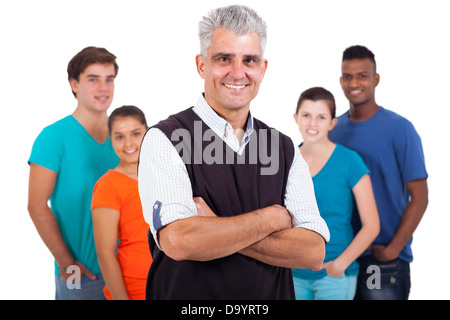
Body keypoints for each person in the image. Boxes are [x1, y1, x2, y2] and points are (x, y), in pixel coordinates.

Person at [138, 5, 330, 300]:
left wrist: (213, 226)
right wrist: (271, 219)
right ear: (202, 65)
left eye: (249, 60)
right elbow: (179, 240)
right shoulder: (165, 139)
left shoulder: (283, 148)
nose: (238, 72)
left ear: (262, 69)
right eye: (224, 58)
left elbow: (312, 252)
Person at [329, 45, 429, 300]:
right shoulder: (331, 129)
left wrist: (394, 248)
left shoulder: (401, 129)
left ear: (375, 79)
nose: (354, 83)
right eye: (348, 76)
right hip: (340, 256)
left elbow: (420, 197)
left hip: (381, 256)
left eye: (362, 75)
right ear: (341, 80)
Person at [27, 47, 120, 300]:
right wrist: (67, 264)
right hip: (84, 274)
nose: (104, 87)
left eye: (109, 79)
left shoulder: (126, 137)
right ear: (74, 84)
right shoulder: (53, 138)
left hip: (128, 270)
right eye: (93, 79)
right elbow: (36, 205)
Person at [292, 87, 379, 300]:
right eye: (306, 115)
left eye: (321, 117)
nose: (312, 123)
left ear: (332, 123)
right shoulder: (287, 161)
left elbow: (372, 225)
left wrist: (341, 264)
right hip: (292, 273)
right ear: (296, 118)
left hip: (334, 275)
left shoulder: (350, 161)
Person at [91, 105, 152, 300]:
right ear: (110, 140)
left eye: (135, 133)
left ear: (148, 132)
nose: (128, 144)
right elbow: (105, 254)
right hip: (135, 289)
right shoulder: (108, 186)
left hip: (175, 284)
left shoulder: (164, 175)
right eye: (119, 136)